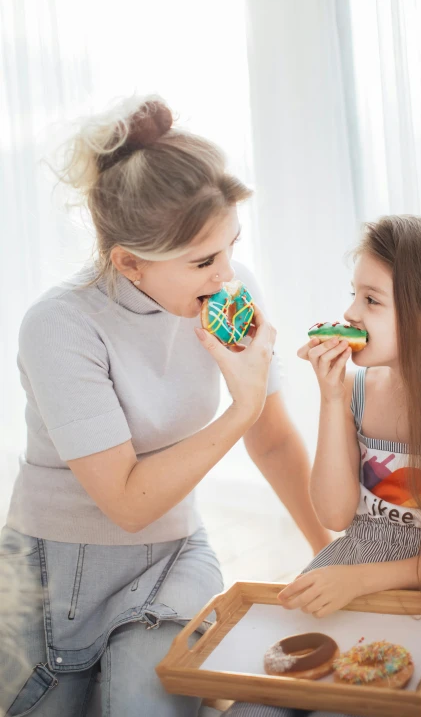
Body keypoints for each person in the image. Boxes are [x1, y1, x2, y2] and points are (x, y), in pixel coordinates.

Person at [0, 97, 331, 717]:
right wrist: (241, 405)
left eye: (231, 246)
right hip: (52, 573)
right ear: (128, 262)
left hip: (173, 553)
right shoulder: (60, 325)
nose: (227, 274)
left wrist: (324, 551)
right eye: (203, 261)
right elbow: (126, 502)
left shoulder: (230, 291)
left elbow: (274, 438)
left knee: (139, 705)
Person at [224, 215, 421, 717]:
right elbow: (336, 515)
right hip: (348, 571)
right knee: (259, 703)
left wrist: (365, 581)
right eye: (353, 295)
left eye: (371, 300)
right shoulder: (359, 392)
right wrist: (332, 398)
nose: (349, 312)